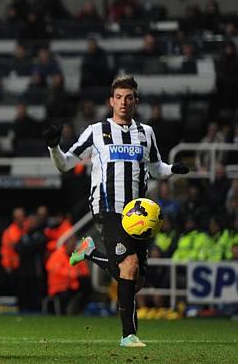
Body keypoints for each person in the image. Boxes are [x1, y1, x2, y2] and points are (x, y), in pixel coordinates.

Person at [43, 75, 190, 347]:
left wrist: (173, 170)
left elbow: (156, 168)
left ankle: (89, 253)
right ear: (111, 101)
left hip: (138, 215)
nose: (124, 102)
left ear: (136, 101)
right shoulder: (95, 131)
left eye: (129, 97)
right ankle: (128, 335)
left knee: (134, 281)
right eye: (119, 97)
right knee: (129, 266)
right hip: (107, 208)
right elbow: (65, 165)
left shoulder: (146, 133)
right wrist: (54, 146)